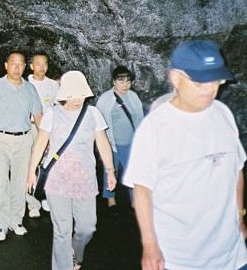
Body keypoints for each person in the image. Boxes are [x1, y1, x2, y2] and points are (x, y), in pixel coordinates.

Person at [123, 40, 247, 270]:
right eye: (200, 82)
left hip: (233, 256)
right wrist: (150, 246)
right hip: (181, 259)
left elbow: (236, 170)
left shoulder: (223, 114)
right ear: (175, 79)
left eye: (215, 80)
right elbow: (142, 189)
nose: (210, 89)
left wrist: (240, 217)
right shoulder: (155, 128)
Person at [26, 71, 117, 270]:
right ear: (64, 94)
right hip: (57, 179)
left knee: (87, 228)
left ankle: (75, 253)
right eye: (73, 95)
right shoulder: (52, 113)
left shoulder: (92, 113)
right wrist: (31, 172)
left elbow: (102, 142)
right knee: (61, 231)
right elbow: (41, 143)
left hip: (85, 179)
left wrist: (110, 171)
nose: (77, 100)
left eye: (81, 95)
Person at [0, 51, 43, 242]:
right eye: (13, 64)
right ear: (6, 65)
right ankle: (0, 224)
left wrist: (44, 141)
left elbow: (39, 117)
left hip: (23, 140)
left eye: (21, 64)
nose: (17, 67)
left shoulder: (30, 89)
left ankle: (16, 220)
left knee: (19, 183)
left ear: (25, 66)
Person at [95, 65, 144, 213]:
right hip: (112, 142)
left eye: (128, 81)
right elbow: (99, 121)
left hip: (130, 141)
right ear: (114, 81)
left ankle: (134, 200)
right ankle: (111, 199)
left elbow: (139, 117)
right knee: (110, 170)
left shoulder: (133, 96)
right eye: (121, 81)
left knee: (133, 171)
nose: (125, 85)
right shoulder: (105, 99)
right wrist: (104, 141)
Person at [26, 51, 60, 218]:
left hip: (49, 130)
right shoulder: (25, 84)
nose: (42, 67)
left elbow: (58, 108)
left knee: (48, 165)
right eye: (38, 64)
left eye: (45, 64)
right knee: (30, 165)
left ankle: (45, 196)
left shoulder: (53, 85)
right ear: (31, 66)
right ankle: (32, 203)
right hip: (30, 128)